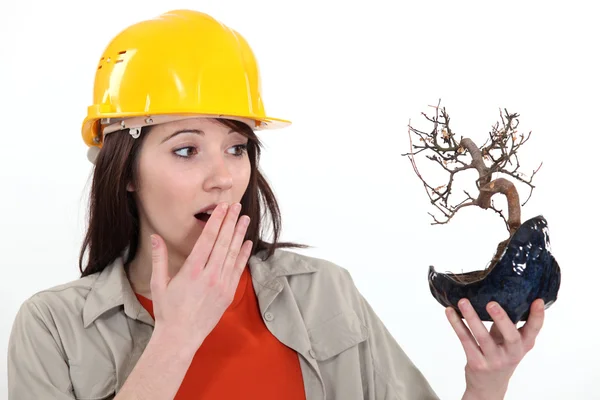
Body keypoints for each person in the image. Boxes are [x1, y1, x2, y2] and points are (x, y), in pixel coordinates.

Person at [6, 9, 545, 400]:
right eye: (187, 149)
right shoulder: (52, 328)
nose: (224, 178)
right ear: (124, 171)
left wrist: (487, 383)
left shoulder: (322, 292)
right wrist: (177, 338)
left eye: (237, 148)